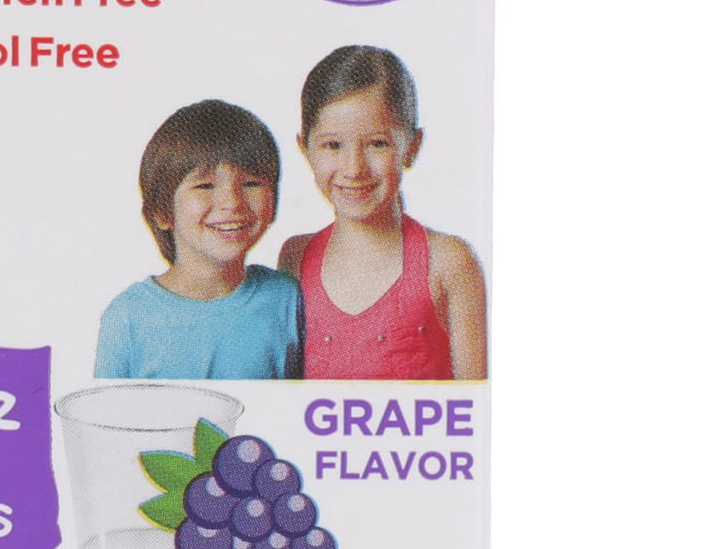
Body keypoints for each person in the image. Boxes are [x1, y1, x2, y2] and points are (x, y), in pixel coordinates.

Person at [278, 47, 487, 380]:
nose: (354, 169)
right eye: (333, 145)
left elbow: (475, 402)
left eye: (378, 144)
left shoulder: (449, 262)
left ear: (412, 147)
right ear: (306, 149)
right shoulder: (295, 257)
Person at [95, 99, 303, 379]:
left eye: (251, 183)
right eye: (205, 186)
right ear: (162, 213)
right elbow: (104, 407)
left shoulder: (286, 298)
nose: (232, 202)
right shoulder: (127, 317)